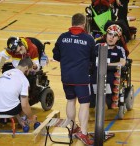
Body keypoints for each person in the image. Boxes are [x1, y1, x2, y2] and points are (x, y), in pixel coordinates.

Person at [52, 13, 95, 145]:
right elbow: (94, 58)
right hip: (81, 78)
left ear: (72, 23)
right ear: (83, 24)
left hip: (66, 77)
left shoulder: (62, 37)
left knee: (70, 101)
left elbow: (56, 56)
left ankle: (72, 128)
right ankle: (83, 132)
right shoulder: (89, 39)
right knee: (84, 104)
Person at [0, 57, 37, 129]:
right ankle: (23, 120)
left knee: (11, 99)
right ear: (26, 68)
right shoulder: (24, 79)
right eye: (29, 71)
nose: (29, 73)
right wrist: (31, 118)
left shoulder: (5, 73)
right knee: (25, 100)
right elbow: (24, 105)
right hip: (11, 110)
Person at [90, 24, 126, 109]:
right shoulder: (97, 46)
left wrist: (107, 65)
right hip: (96, 75)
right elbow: (90, 60)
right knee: (91, 103)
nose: (111, 38)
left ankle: (105, 103)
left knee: (106, 103)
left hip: (110, 75)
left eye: (115, 36)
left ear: (118, 38)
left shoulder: (119, 49)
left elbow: (123, 62)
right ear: (106, 35)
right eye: (110, 34)